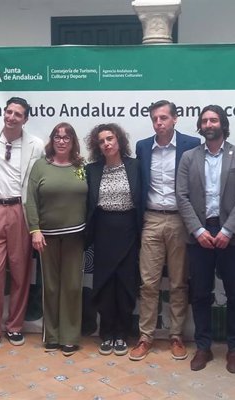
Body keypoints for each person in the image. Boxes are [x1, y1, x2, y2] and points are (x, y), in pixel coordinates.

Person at [176, 105, 235, 373]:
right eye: (205, 120)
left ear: (223, 124)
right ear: (200, 126)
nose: (209, 124)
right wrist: (198, 231)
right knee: (200, 293)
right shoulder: (188, 157)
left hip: (231, 235)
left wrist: (228, 231)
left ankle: (234, 349)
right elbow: (182, 196)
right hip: (199, 233)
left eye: (214, 119)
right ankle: (203, 347)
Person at [130, 100, 200, 362]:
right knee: (148, 282)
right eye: (154, 119)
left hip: (180, 220)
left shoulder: (191, 145)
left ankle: (176, 335)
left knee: (179, 282)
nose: (158, 123)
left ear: (175, 119)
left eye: (163, 118)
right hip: (150, 219)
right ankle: (145, 337)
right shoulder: (143, 146)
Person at [0, 97, 44, 351]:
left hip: (20, 211)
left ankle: (15, 326)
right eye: (8, 112)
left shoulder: (36, 145)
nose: (11, 117)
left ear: (25, 119)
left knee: (20, 272)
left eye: (18, 114)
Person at [25, 122, 87, 357]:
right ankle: (51, 335)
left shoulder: (82, 166)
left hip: (75, 236)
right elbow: (30, 199)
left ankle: (69, 337)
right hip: (46, 238)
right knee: (51, 287)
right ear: (52, 140)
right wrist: (34, 230)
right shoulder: (40, 166)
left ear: (73, 141)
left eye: (67, 137)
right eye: (58, 137)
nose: (62, 141)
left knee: (71, 287)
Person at [85, 123, 142, 356]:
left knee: (126, 283)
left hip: (129, 230)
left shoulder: (136, 166)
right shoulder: (91, 170)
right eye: (102, 141)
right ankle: (106, 333)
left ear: (119, 140)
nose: (107, 143)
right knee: (105, 284)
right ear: (97, 146)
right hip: (103, 231)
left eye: (110, 138)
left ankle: (122, 333)